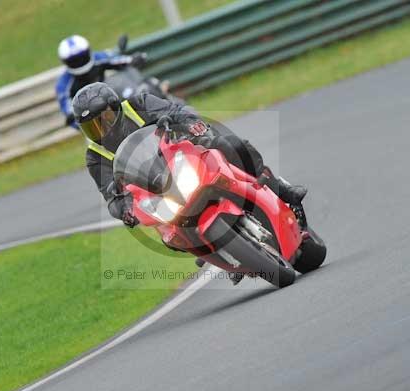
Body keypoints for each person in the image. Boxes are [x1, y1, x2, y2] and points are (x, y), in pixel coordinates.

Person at [72, 82, 307, 283]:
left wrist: (185, 122)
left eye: (104, 119)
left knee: (231, 145)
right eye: (91, 126)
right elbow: (110, 197)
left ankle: (281, 189)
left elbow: (177, 110)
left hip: (181, 156)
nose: (101, 129)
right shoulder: (95, 156)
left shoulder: (138, 104)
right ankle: (223, 253)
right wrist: (124, 211)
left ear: (116, 108)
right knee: (170, 236)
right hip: (153, 190)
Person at [55, 35, 146, 126]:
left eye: (81, 57)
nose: (79, 61)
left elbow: (117, 59)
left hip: (113, 101)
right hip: (94, 120)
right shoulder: (63, 85)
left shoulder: (98, 58)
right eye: (73, 60)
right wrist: (74, 117)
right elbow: (67, 109)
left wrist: (133, 60)